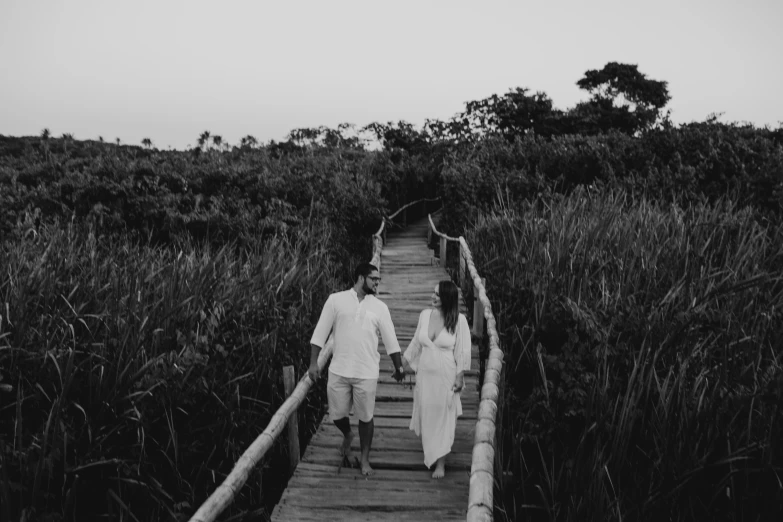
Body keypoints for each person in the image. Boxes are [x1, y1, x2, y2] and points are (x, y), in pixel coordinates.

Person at [308, 262, 405, 476]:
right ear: (361, 278)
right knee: (336, 414)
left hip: (366, 372)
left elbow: (391, 340)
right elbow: (319, 333)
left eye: (378, 279)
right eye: (374, 279)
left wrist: (398, 366)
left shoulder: (380, 307)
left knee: (365, 417)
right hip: (339, 370)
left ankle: (365, 459)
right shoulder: (336, 300)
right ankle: (348, 434)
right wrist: (314, 363)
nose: (377, 282)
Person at [404, 279, 471, 479]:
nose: (432, 297)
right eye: (433, 293)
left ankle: (440, 463)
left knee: (444, 416)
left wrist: (460, 376)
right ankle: (431, 450)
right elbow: (416, 342)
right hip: (425, 374)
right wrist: (403, 364)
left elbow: (463, 351)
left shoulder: (459, 321)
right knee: (428, 412)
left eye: (437, 295)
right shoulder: (425, 315)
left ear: (447, 298)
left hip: (446, 375)